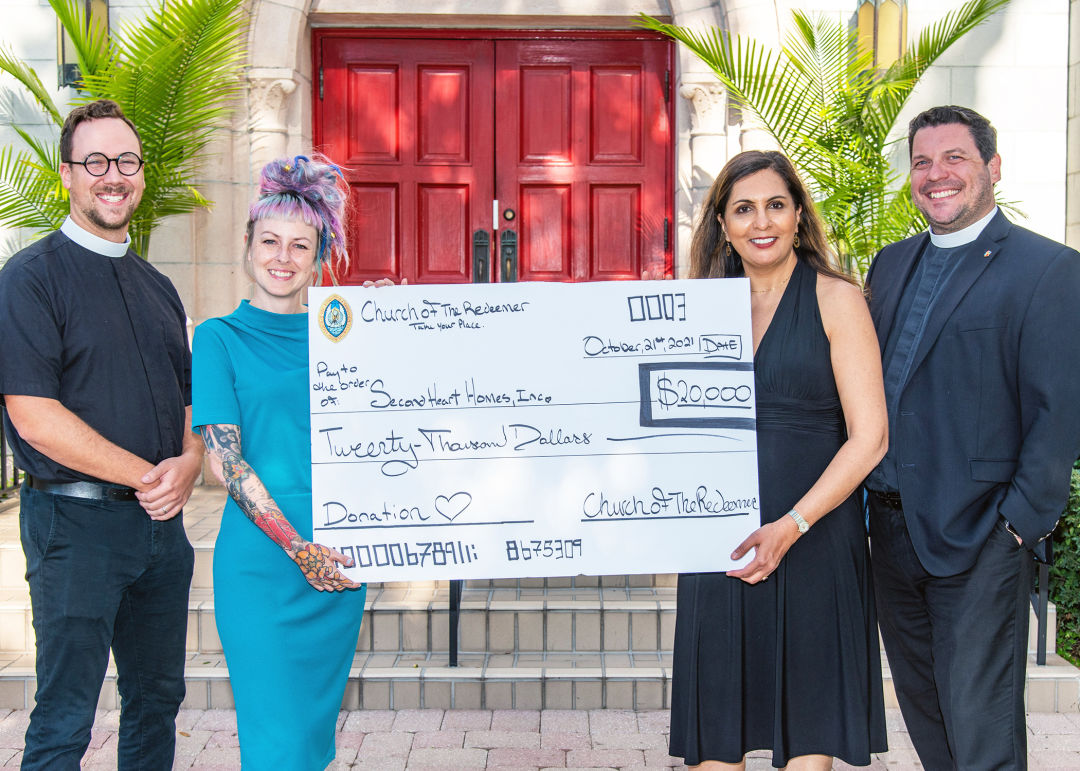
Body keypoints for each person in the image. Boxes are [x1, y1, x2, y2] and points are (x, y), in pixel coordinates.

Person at [864, 105, 1080, 770]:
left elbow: (1058, 409)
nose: (936, 175)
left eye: (953, 158)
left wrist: (1019, 523)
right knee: (927, 713)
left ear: (991, 167)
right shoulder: (890, 264)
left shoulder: (1048, 270)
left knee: (980, 729)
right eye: (923, 162)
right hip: (891, 534)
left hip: (982, 534)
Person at [667, 150, 888, 770]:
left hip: (815, 538)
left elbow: (870, 437)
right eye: (743, 208)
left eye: (775, 205)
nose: (760, 221)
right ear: (722, 224)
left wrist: (793, 525)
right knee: (717, 737)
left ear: (797, 216)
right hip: (721, 540)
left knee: (808, 743)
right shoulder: (693, 310)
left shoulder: (836, 298)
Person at [0, 99, 201, 769]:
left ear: (140, 174)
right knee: (65, 715)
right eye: (95, 162)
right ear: (66, 175)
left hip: (158, 535)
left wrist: (190, 461)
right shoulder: (29, 280)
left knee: (156, 702)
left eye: (125, 161)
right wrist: (148, 475)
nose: (112, 175)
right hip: (73, 526)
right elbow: (35, 415)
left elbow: (185, 405)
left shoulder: (158, 288)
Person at [191, 154, 368, 769]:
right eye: (270, 240)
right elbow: (225, 463)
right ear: (247, 246)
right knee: (276, 745)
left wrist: (402, 331)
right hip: (264, 567)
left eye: (300, 244)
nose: (282, 257)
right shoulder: (218, 338)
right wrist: (298, 550)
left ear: (319, 255)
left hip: (340, 559)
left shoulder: (347, 338)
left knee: (312, 743)